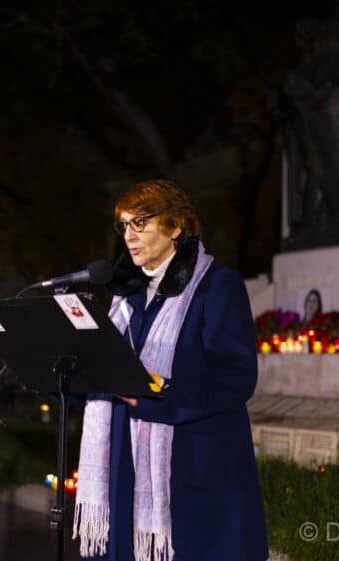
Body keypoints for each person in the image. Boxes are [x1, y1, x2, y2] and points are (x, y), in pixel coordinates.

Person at [73, 179, 268, 561]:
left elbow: (235, 377)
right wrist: (69, 373)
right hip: (124, 466)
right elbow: (104, 379)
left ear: (176, 225)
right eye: (124, 225)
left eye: (140, 222)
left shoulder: (217, 287)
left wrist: (153, 393)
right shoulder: (124, 298)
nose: (129, 235)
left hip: (194, 470)